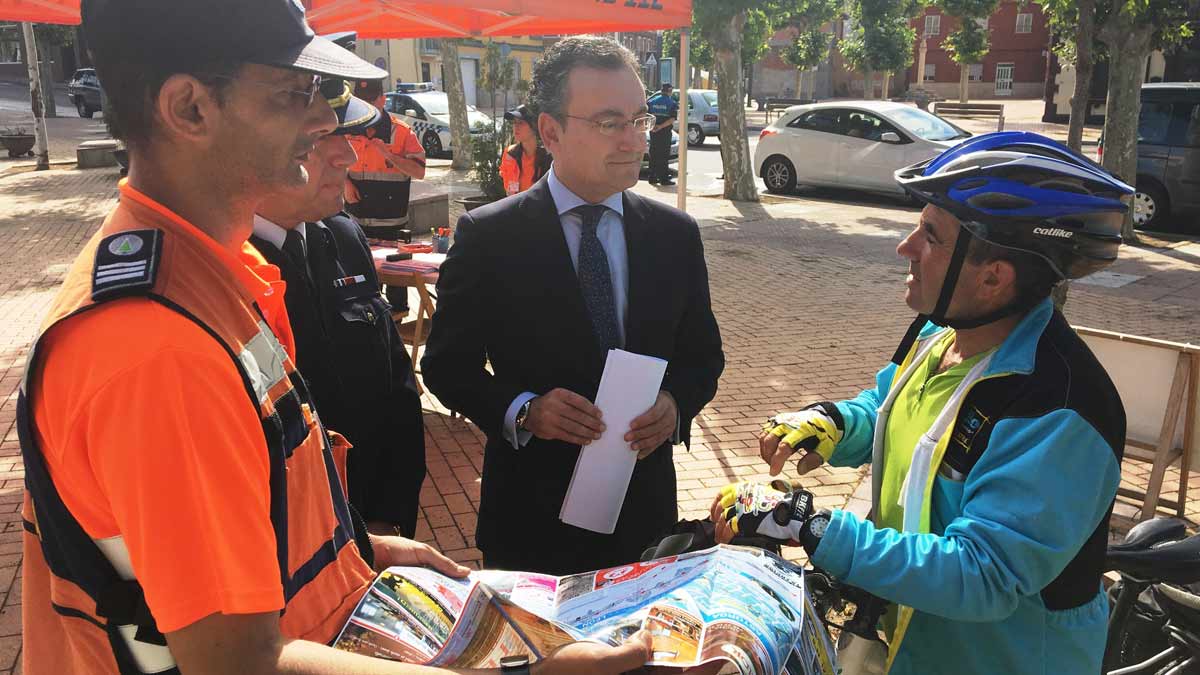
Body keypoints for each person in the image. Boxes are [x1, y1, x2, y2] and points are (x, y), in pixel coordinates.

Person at [18, 1, 651, 673]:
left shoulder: (215, 276)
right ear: (190, 110)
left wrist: (356, 548)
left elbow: (240, 526)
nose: (325, 122)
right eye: (296, 94)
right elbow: (244, 663)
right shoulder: (158, 348)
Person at [711, 132, 1135, 674]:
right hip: (912, 645)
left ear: (992, 276)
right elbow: (890, 405)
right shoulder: (941, 330)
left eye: (930, 236)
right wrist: (835, 423)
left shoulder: (1058, 406)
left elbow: (982, 573)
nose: (905, 247)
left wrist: (811, 526)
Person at [422, 36, 724, 576]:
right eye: (611, 122)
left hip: (643, 519)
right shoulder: (490, 236)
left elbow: (703, 357)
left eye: (640, 117)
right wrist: (525, 410)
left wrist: (675, 407)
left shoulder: (674, 235)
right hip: (532, 519)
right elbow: (446, 366)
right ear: (551, 131)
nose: (636, 138)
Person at [252, 74, 426, 540]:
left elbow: (399, 390)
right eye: (318, 139)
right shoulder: (214, 261)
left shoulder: (343, 236)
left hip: (372, 521)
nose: (348, 156)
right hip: (289, 547)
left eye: (347, 136)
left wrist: (389, 516)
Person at [345, 78, 427, 240]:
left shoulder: (402, 132)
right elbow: (332, 163)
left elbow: (419, 172)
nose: (366, 106)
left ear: (383, 99)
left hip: (391, 224)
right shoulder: (348, 130)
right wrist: (344, 183)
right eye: (362, 101)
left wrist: (389, 155)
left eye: (371, 100)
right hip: (354, 220)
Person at [499, 104, 552, 196]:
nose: (516, 126)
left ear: (534, 127)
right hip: (516, 206)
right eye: (514, 122)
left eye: (521, 123)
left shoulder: (549, 155)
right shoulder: (509, 153)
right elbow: (508, 188)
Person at [645, 82, 677, 186]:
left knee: (653, 153)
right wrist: (661, 127)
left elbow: (647, 116)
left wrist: (654, 127)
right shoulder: (672, 103)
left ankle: (652, 177)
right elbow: (672, 119)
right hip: (664, 133)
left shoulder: (651, 102)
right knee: (663, 155)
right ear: (669, 91)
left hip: (653, 132)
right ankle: (664, 178)